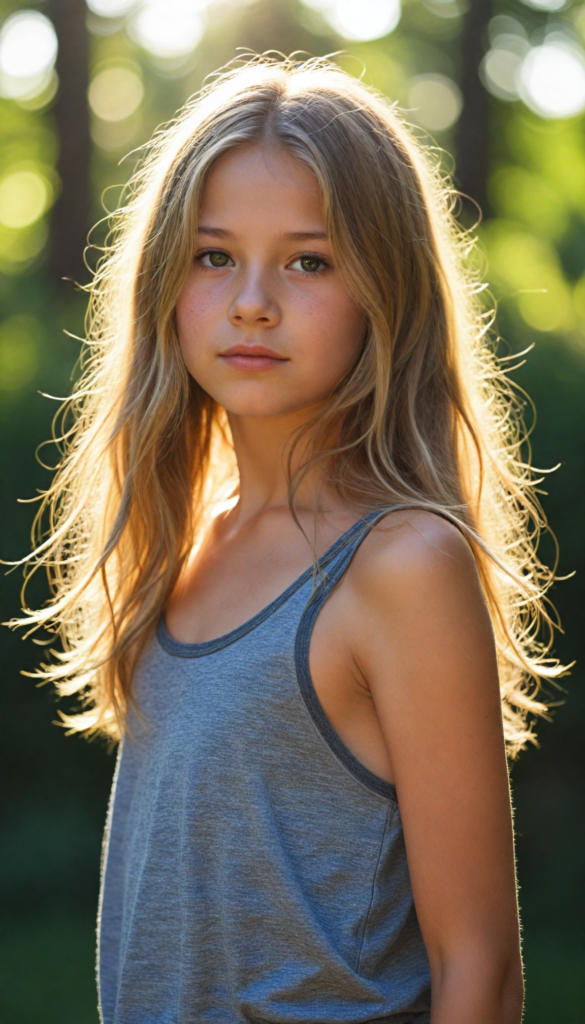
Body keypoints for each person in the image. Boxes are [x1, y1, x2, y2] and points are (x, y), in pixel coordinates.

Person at [16, 55, 563, 1024]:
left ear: (383, 290)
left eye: (309, 260)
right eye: (213, 255)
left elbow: (481, 968)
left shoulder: (401, 566)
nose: (252, 301)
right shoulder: (182, 545)